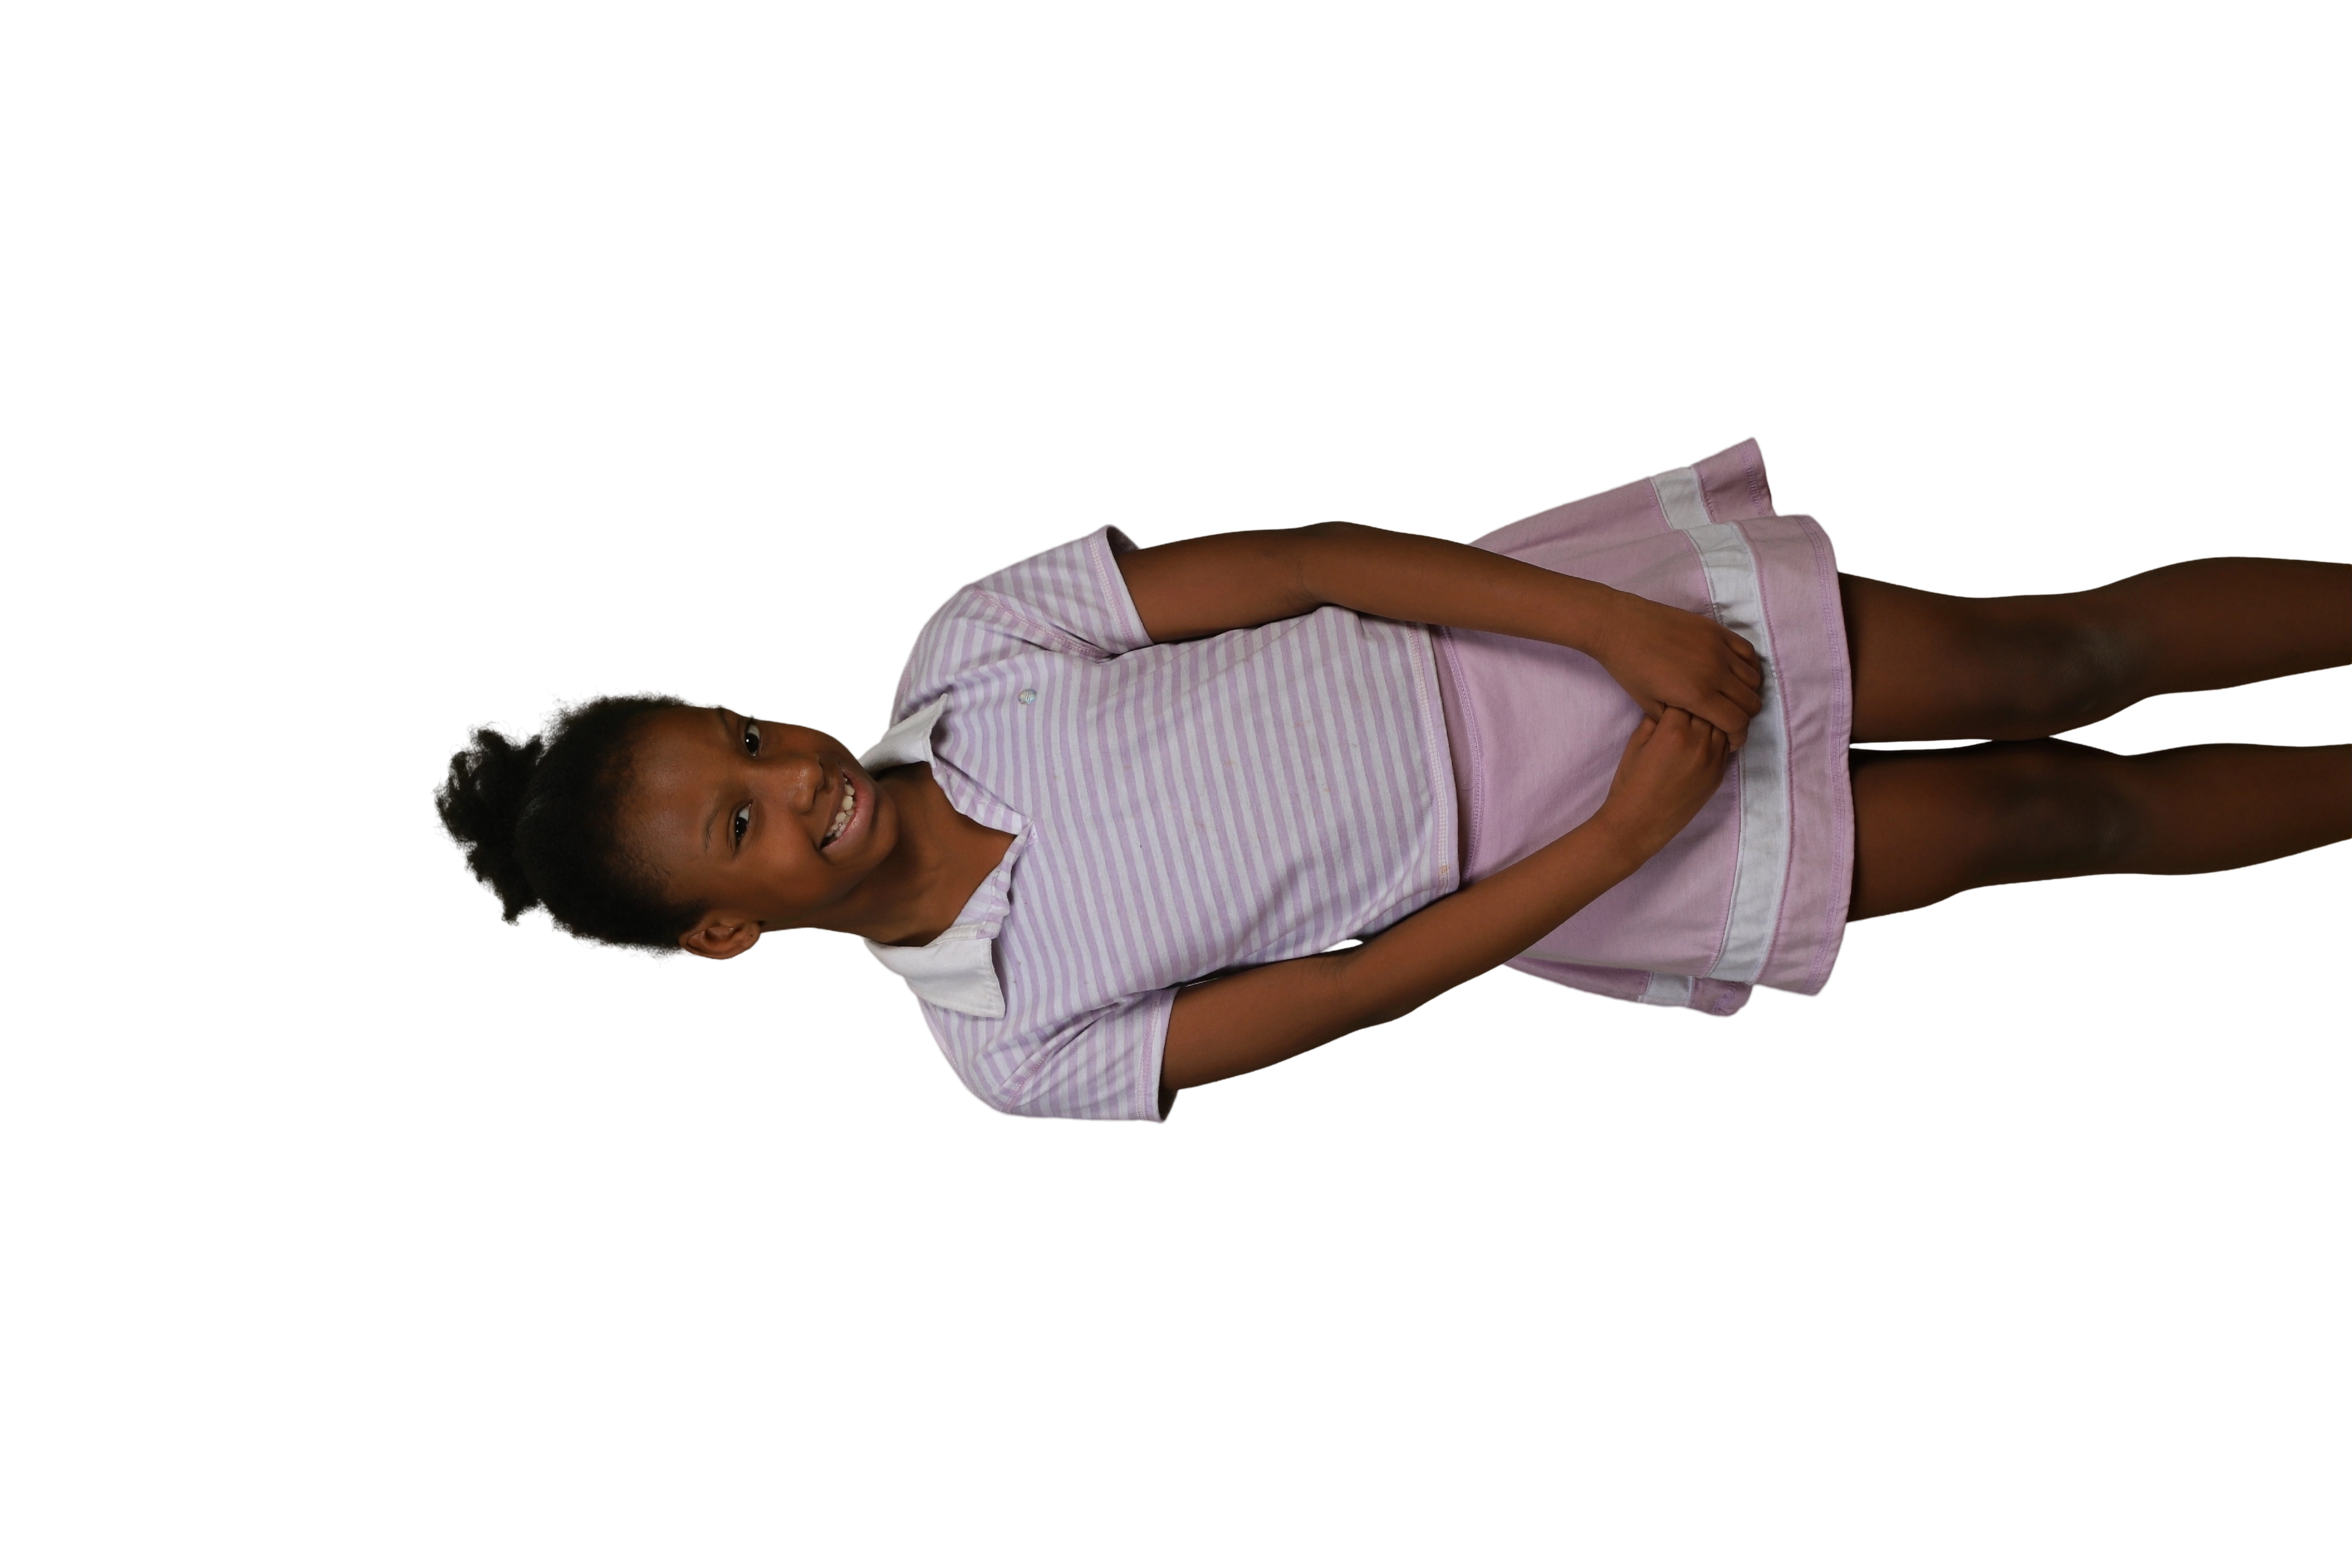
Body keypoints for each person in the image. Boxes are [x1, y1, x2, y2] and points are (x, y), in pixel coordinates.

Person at [429, 434, 2352, 1125]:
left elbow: (1310, 564)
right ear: (726, 931)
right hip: (1594, 863)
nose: (796, 779)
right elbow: (1354, 990)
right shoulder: (1009, 1047)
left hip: (1553, 644)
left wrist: (1609, 631)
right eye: (743, 823)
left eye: (748, 739)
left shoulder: (972, 651)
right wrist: (1619, 834)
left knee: (2048, 658)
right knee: (2051, 818)